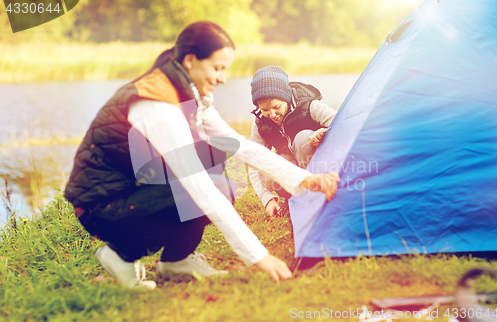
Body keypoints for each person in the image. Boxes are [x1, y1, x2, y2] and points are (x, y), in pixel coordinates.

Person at [64, 21, 340, 290]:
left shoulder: (189, 94)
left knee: (219, 169)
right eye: (217, 68)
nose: (223, 78)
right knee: (211, 188)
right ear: (191, 61)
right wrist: (260, 257)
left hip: (134, 188)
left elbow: (239, 145)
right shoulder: (157, 104)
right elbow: (198, 187)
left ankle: (176, 261)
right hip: (101, 207)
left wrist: (305, 180)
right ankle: (121, 254)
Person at [248, 66, 337, 217]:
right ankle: (295, 198)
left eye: (276, 107)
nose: (272, 114)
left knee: (303, 138)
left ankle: (320, 194)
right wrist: (267, 199)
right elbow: (254, 164)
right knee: (267, 171)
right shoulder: (260, 122)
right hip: (291, 169)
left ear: (286, 97)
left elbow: (343, 124)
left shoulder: (310, 106)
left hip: (319, 164)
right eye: (265, 110)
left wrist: (324, 133)